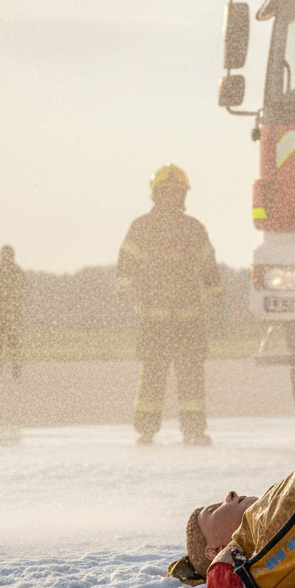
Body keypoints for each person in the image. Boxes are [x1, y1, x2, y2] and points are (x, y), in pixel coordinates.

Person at [117, 164, 222, 446]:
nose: (170, 196)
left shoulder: (193, 228)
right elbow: (127, 260)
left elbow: (208, 263)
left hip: (190, 318)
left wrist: (216, 290)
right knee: (152, 374)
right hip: (154, 318)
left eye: (175, 192)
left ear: (183, 195)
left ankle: (194, 430)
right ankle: (146, 430)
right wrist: (124, 285)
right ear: (155, 194)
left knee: (191, 375)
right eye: (165, 191)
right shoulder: (141, 227)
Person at [0, 245, 28, 377]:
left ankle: (15, 368)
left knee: (12, 341)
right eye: (4, 254)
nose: (6, 256)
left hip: (11, 313)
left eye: (8, 254)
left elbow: (24, 290)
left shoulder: (16, 271)